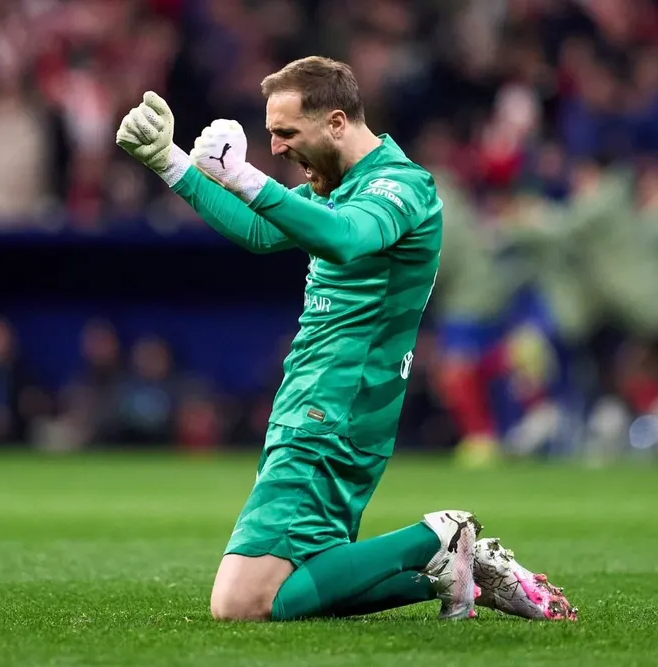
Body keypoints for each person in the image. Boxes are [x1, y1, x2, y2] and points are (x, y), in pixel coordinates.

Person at [115, 56, 576, 623]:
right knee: (299, 583)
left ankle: (438, 537)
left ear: (336, 122)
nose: (277, 147)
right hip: (322, 406)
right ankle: (460, 567)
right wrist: (168, 162)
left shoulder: (400, 185)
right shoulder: (343, 183)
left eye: (287, 133)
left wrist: (244, 176)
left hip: (332, 412)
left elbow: (345, 238)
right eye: (272, 135)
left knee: (241, 603)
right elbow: (260, 231)